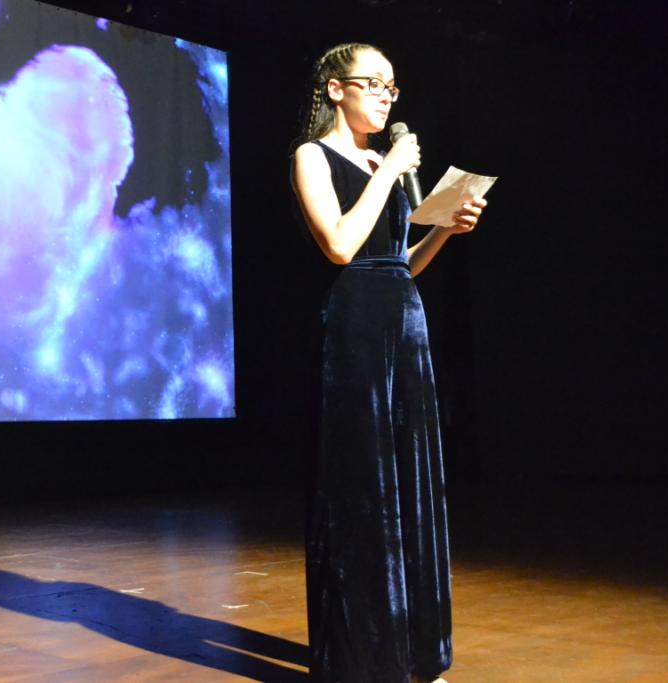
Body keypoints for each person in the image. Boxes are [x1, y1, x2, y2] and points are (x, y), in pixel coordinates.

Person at [290, 42, 487, 683]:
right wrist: (390, 171)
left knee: (411, 482)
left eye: (391, 86)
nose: (384, 95)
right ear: (336, 88)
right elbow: (340, 245)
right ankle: (362, 658)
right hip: (355, 328)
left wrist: (444, 229)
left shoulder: (384, 165)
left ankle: (414, 651)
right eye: (372, 83)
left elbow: (400, 264)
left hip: (406, 323)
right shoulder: (313, 156)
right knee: (364, 485)